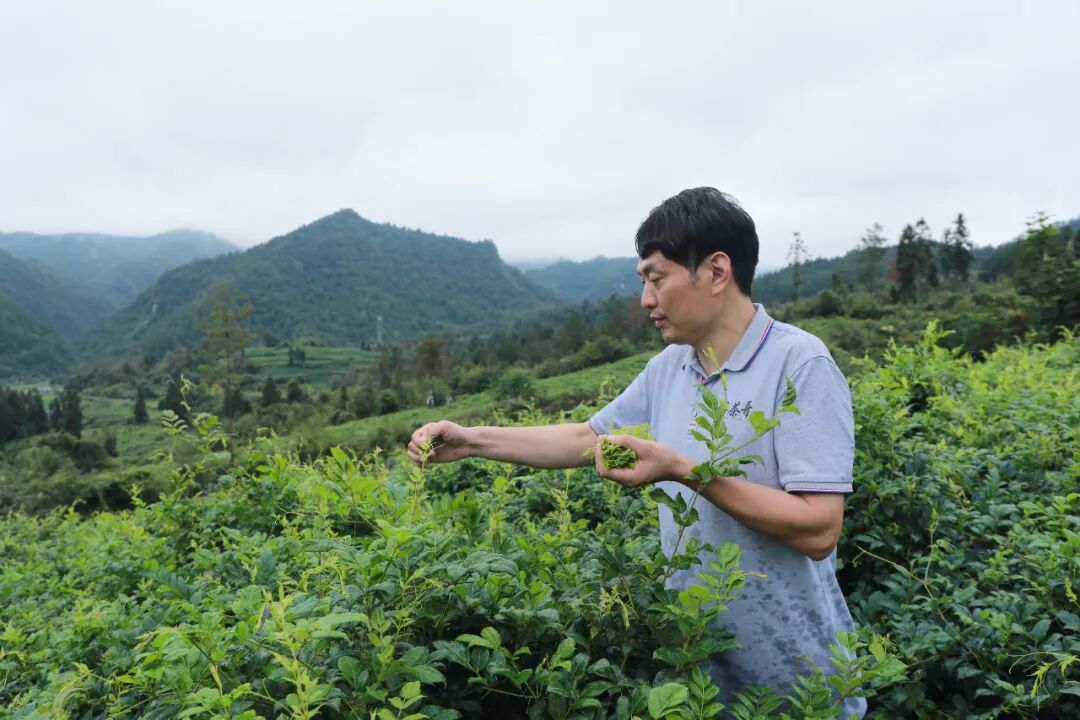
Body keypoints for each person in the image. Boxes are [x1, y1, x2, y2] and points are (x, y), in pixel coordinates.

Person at [407, 187, 864, 718]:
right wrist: (473, 441)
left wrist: (684, 470)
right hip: (698, 674)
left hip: (798, 685)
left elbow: (818, 529)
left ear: (717, 272)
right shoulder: (670, 368)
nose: (646, 300)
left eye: (656, 278)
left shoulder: (799, 363)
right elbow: (586, 438)